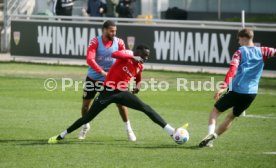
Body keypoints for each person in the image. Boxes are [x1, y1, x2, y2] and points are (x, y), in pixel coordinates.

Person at [48, 45, 178, 144]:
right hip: (107, 92)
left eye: (147, 56)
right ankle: (61, 135)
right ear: (138, 52)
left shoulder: (140, 66)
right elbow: (115, 54)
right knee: (87, 118)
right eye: (144, 55)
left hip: (122, 93)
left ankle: (171, 131)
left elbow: (138, 77)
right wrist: (132, 56)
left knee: (146, 108)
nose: (146, 58)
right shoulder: (128, 54)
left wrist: (137, 86)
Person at [199, 28, 276, 148]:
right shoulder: (264, 51)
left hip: (236, 90)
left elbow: (232, 70)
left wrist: (223, 86)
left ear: (244, 38)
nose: (239, 42)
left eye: (239, 39)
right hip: (251, 94)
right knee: (231, 117)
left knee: (215, 111)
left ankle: (209, 138)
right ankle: (215, 136)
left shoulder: (240, 52)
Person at [78, 20, 136, 141]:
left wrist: (125, 78)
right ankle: (85, 126)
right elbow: (89, 59)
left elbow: (125, 60)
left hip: (113, 80)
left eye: (115, 31)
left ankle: (128, 129)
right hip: (94, 78)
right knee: (85, 106)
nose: (114, 33)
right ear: (104, 30)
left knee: (121, 105)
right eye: (111, 31)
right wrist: (102, 72)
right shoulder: (95, 41)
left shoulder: (119, 42)